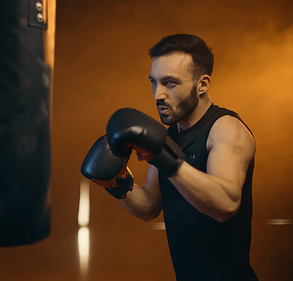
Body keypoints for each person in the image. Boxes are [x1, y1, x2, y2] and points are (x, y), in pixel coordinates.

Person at [81, 34, 258, 280]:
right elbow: (151, 206)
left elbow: (225, 205)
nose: (158, 94)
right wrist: (118, 181)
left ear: (202, 84)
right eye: (154, 82)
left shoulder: (225, 129)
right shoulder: (169, 137)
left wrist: (164, 158)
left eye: (170, 83)